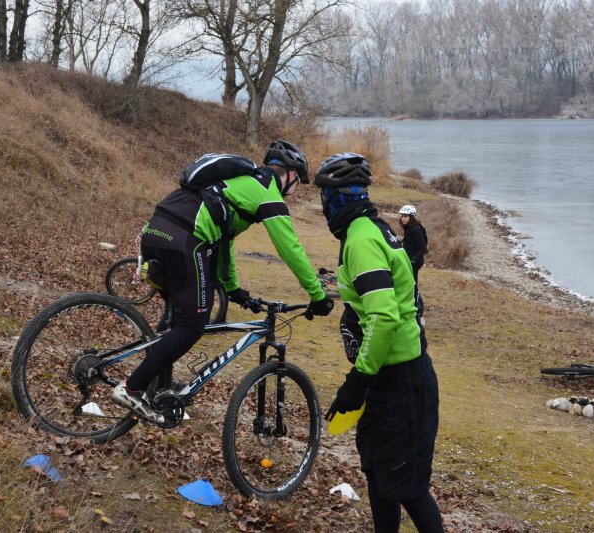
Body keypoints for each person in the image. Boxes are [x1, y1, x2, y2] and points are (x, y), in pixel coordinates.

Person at [112, 140, 334, 423]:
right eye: (298, 181)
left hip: (157, 229)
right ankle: (132, 388)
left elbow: (223, 240)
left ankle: (160, 391)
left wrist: (233, 289)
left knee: (174, 319)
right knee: (192, 326)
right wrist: (317, 294)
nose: (295, 189)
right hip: (185, 239)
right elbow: (290, 248)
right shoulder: (266, 193)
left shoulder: (239, 183)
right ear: (289, 173)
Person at [317, 153, 442, 533]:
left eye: (325, 197)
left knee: (408, 488)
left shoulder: (362, 239)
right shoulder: (372, 229)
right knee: (378, 475)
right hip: (388, 380)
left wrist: (358, 379)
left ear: (336, 200)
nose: (323, 207)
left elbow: (384, 316)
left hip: (401, 380)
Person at [399, 204, 428, 284]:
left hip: (415, 261)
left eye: (405, 216)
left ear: (411, 217)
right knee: (407, 281)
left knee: (411, 282)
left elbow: (422, 248)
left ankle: (414, 295)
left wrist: (413, 260)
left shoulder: (416, 230)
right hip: (408, 258)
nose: (403, 219)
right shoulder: (408, 227)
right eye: (402, 216)